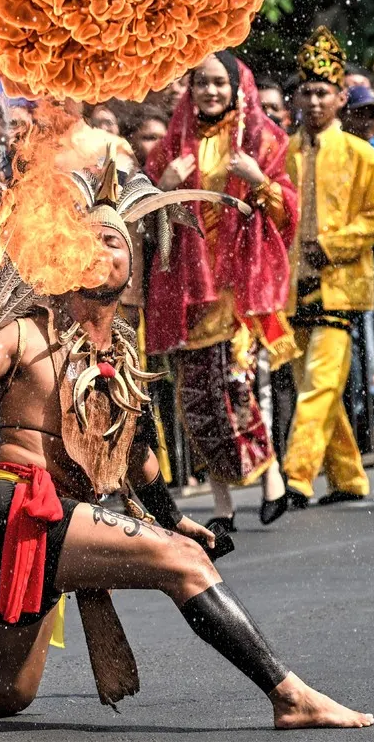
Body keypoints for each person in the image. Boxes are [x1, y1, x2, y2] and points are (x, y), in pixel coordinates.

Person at [0, 97, 374, 734]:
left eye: (116, 239)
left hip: (59, 523)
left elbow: (139, 461)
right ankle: (289, 694)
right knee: (181, 564)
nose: (106, 248)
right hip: (15, 511)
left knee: (7, 695)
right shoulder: (26, 333)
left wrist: (177, 516)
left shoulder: (121, 354)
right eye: (92, 238)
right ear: (64, 256)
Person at [146, 52, 299, 530]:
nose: (210, 92)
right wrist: (163, 187)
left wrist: (258, 181)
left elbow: (288, 213)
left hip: (237, 291)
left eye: (219, 83)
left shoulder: (263, 140)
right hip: (188, 292)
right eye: (201, 84)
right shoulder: (171, 147)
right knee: (196, 399)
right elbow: (144, 221)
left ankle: (271, 476)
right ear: (189, 90)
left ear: (237, 88)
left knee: (236, 389)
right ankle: (222, 506)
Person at [281, 28, 374, 509]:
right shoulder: (280, 151)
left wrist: (331, 245)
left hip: (340, 282)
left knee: (322, 381)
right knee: (313, 384)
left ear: (341, 96)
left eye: (322, 91)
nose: (313, 100)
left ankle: (296, 476)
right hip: (291, 284)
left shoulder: (359, 152)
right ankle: (348, 476)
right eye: (306, 91)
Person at [340, 85, 374, 149]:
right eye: (359, 115)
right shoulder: (333, 146)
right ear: (343, 115)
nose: (367, 122)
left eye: (372, 116)